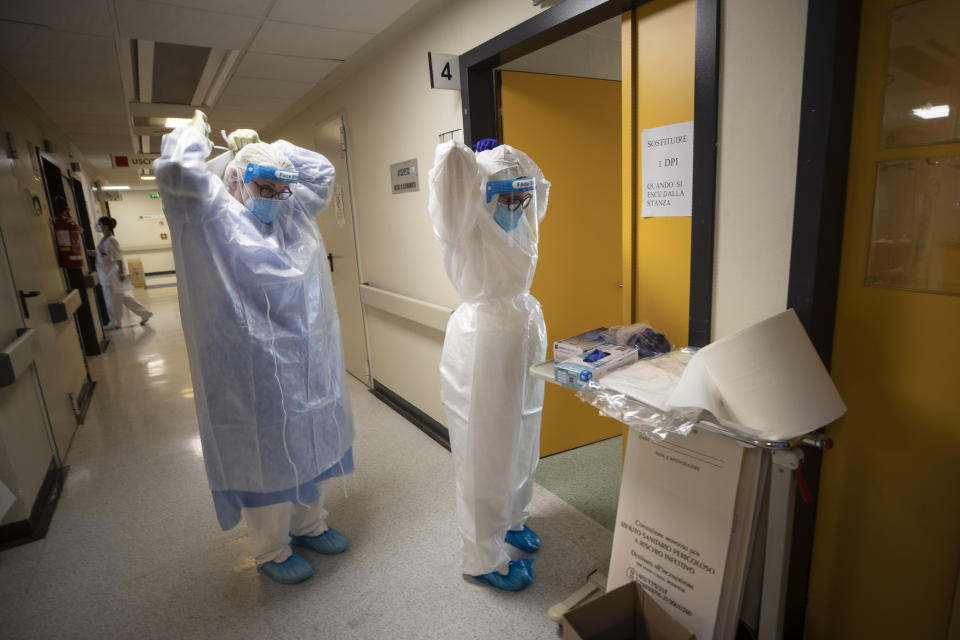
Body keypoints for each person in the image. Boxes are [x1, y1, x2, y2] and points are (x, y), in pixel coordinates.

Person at [154, 111, 355, 585]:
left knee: (314, 439)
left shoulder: (295, 212)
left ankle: (311, 523)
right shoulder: (207, 215)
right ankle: (271, 549)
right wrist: (194, 136)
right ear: (235, 180)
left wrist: (276, 148)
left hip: (310, 362)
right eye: (263, 187)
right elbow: (177, 172)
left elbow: (321, 173)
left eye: (280, 188)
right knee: (267, 451)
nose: (275, 198)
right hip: (249, 368)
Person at [428, 138, 550, 591]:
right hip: (481, 338)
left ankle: (515, 517)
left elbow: (539, 184)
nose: (517, 206)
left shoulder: (524, 216)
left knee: (524, 431)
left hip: (524, 326)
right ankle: (483, 556)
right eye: (507, 198)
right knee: (485, 447)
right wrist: (467, 158)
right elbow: (448, 175)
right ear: (479, 192)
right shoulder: (464, 220)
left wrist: (511, 157)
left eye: (523, 196)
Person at [93, 216, 153, 329]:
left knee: (112, 299)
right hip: (107, 273)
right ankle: (144, 313)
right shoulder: (105, 239)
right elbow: (102, 254)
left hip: (112, 274)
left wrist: (121, 273)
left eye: (100, 224)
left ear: (106, 226)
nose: (98, 226)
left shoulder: (111, 240)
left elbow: (118, 258)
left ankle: (116, 322)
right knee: (122, 297)